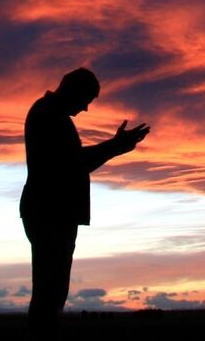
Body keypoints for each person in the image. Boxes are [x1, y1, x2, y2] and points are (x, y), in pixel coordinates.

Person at [19, 67, 149, 336]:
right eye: (86, 100)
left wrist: (115, 146)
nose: (86, 108)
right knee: (50, 290)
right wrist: (116, 147)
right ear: (72, 90)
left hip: (51, 211)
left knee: (51, 289)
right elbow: (73, 163)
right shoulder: (49, 115)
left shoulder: (49, 114)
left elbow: (73, 162)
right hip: (50, 213)